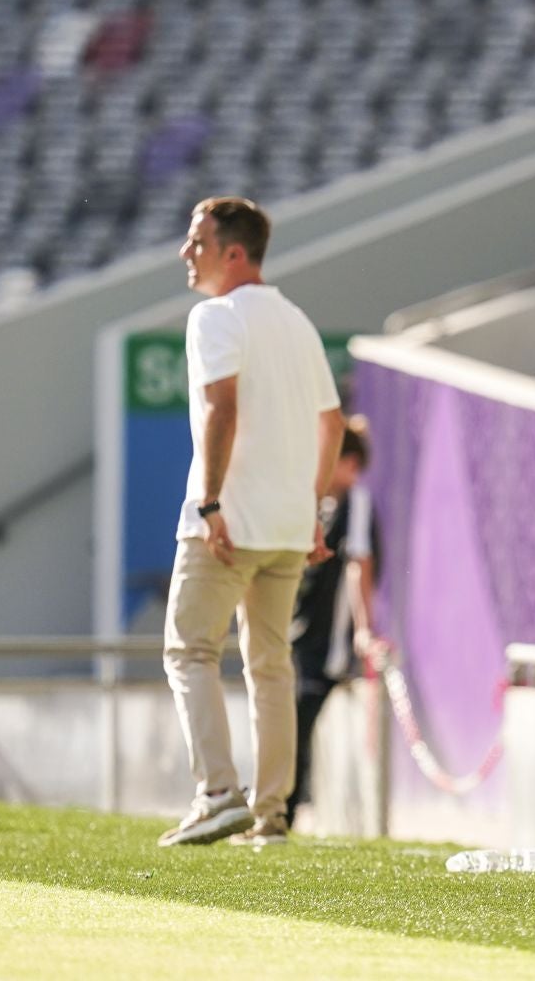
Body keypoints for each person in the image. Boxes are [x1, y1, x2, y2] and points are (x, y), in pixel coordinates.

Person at [158, 196, 345, 848]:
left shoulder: (215, 316)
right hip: (288, 527)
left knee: (190, 649)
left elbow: (220, 408)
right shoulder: (296, 322)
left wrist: (209, 502)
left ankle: (216, 793)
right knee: (271, 665)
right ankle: (270, 817)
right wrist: (313, 508)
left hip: (231, 521)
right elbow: (333, 423)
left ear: (233, 252)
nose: (187, 252)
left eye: (197, 240)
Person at [285, 415, 384, 830]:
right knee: (290, 721)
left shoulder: (356, 503)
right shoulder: (322, 507)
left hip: (329, 645)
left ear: (348, 465)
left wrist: (363, 628)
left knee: (298, 721)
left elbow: (359, 565)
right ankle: (280, 807)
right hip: (302, 636)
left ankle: (283, 811)